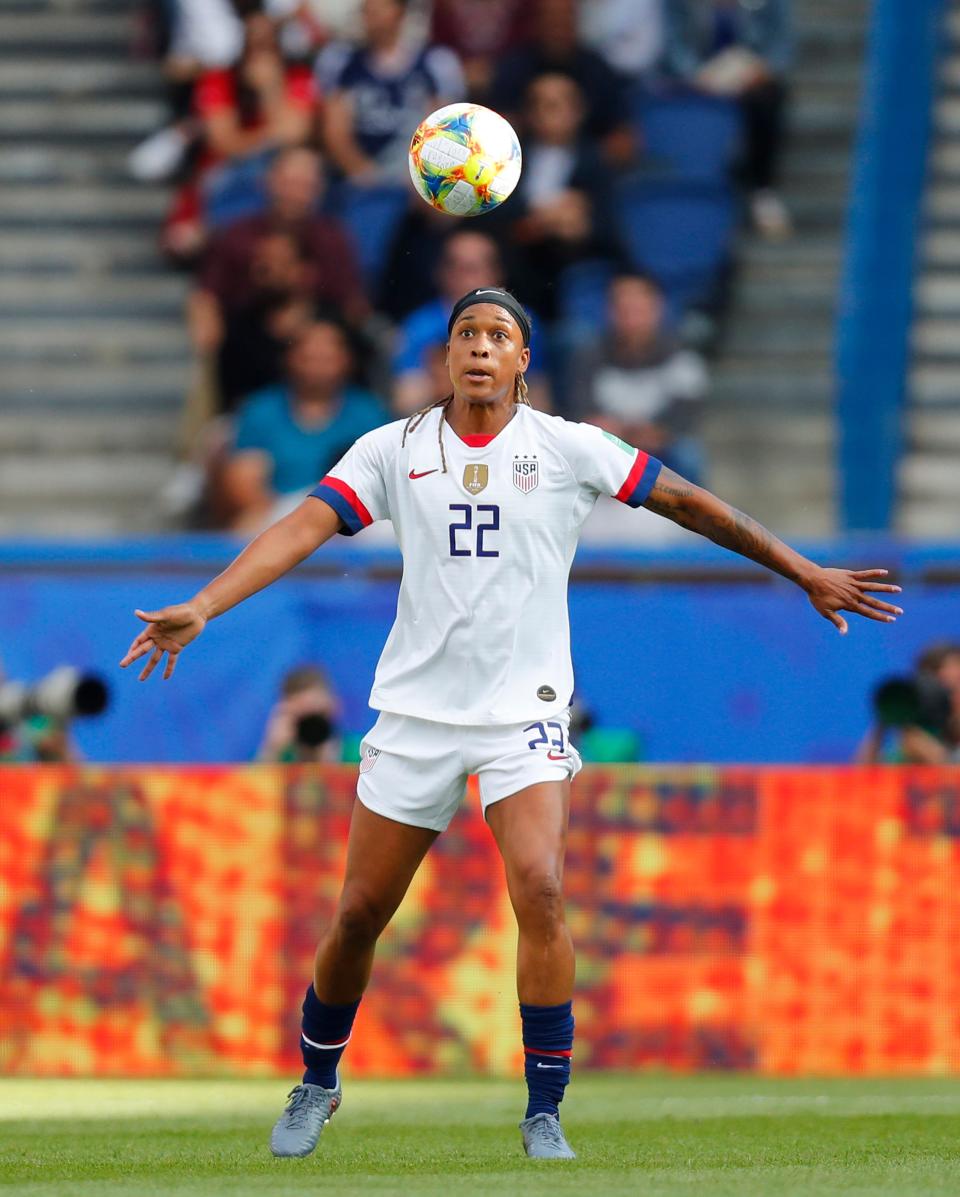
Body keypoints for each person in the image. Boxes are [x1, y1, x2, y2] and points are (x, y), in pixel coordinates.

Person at [121, 286, 903, 1161]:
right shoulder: (394, 448)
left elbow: (688, 503)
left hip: (521, 715)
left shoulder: (569, 448)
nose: (481, 348)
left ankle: (544, 1109)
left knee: (542, 888)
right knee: (358, 915)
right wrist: (205, 603)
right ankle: (317, 1079)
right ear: (446, 355)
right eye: (466, 334)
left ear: (524, 359)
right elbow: (304, 524)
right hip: (417, 715)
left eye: (500, 335)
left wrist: (800, 568)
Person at [188, 146, 368, 382]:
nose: (295, 194)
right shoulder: (236, 235)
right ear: (268, 182)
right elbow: (207, 295)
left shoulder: (332, 239)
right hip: (244, 346)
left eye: (305, 185)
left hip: (314, 349)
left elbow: (352, 305)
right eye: (289, 183)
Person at [216, 320, 386, 532]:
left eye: (327, 359)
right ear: (290, 359)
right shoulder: (261, 410)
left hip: (351, 514)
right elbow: (244, 485)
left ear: (346, 360)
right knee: (247, 526)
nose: (318, 368)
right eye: (309, 358)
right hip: (283, 511)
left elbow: (382, 482)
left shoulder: (368, 412)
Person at [664, 0, 794, 239]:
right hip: (698, 83)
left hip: (750, 80)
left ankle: (761, 189)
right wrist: (697, 77)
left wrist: (760, 70)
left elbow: (780, 49)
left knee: (767, 97)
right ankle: (699, 195)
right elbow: (673, 46)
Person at [392, 229, 551, 413]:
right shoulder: (419, 326)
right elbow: (406, 400)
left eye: (476, 268)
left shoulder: (521, 321)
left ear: (497, 273)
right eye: (459, 267)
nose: (467, 278)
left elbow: (538, 394)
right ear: (442, 273)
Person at [569, 273, 709, 480]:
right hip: (606, 442)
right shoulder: (587, 355)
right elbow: (578, 408)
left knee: (688, 455)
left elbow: (687, 412)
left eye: (638, 311)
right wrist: (610, 431)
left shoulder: (681, 355)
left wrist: (657, 431)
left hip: (661, 441)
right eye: (623, 310)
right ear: (609, 311)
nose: (631, 321)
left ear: (657, 309)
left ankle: (698, 512)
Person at [258, 664, 342, 762]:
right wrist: (271, 750)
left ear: (334, 707)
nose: (312, 727)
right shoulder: (279, 759)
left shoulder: (360, 751)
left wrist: (331, 757)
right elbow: (256, 777)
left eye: (317, 716)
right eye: (303, 717)